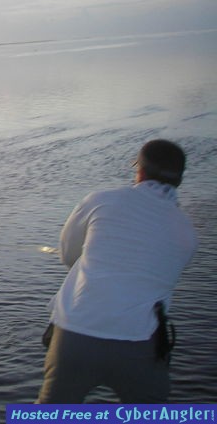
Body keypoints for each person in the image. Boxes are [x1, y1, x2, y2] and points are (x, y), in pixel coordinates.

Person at [37, 139, 197, 403]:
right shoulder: (187, 233)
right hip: (139, 342)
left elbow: (68, 255)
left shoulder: (101, 201)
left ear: (141, 172)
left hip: (75, 335)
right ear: (178, 179)